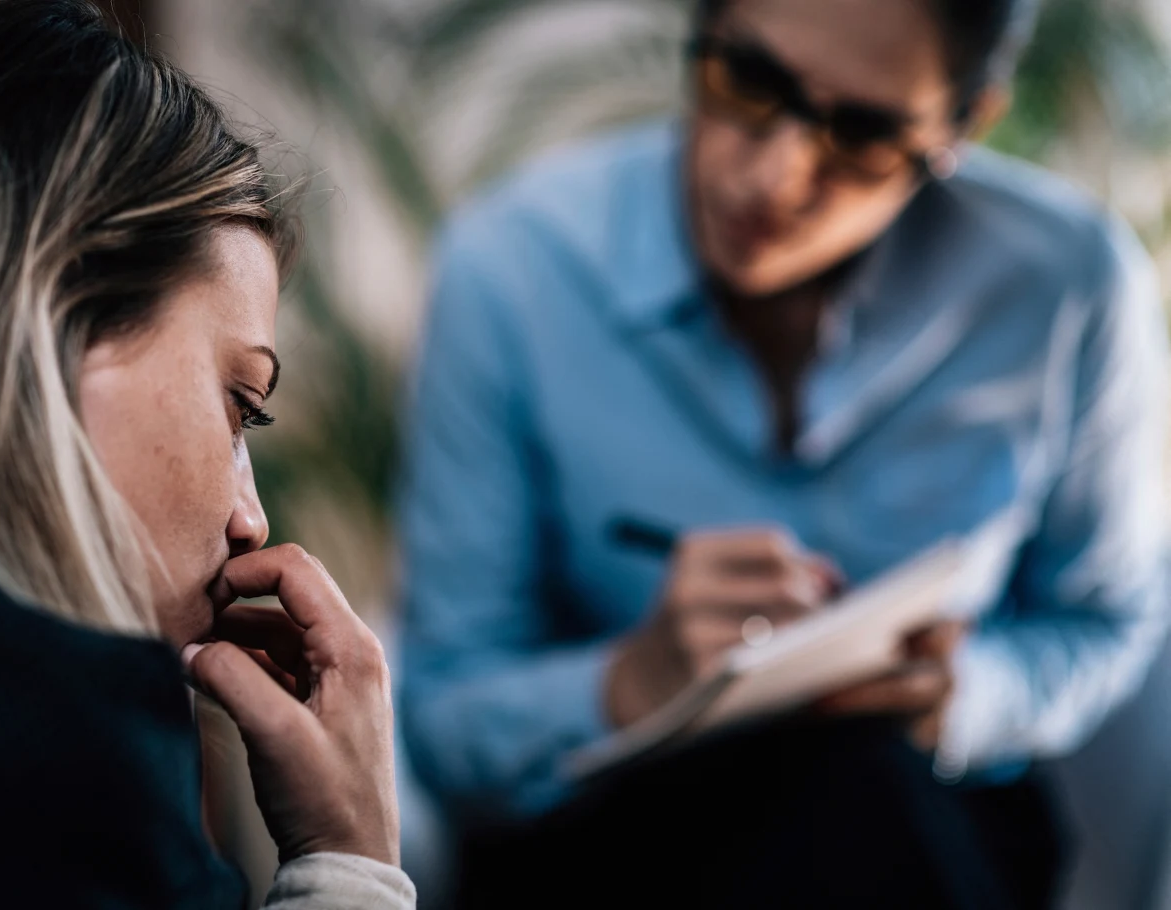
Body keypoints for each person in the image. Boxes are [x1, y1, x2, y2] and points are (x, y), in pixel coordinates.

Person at [398, 0, 1170, 906]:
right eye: (748, 81)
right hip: (614, 843)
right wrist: (634, 681)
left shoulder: (1067, 284)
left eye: (863, 134)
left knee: (868, 787)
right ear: (701, 32)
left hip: (929, 823)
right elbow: (443, 720)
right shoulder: (514, 270)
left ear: (967, 123)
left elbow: (1107, 624)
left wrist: (967, 691)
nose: (774, 175)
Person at [0, 2, 412, 908]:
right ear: (54, 315)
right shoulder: (46, 754)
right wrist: (349, 860)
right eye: (242, 403)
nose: (254, 522)